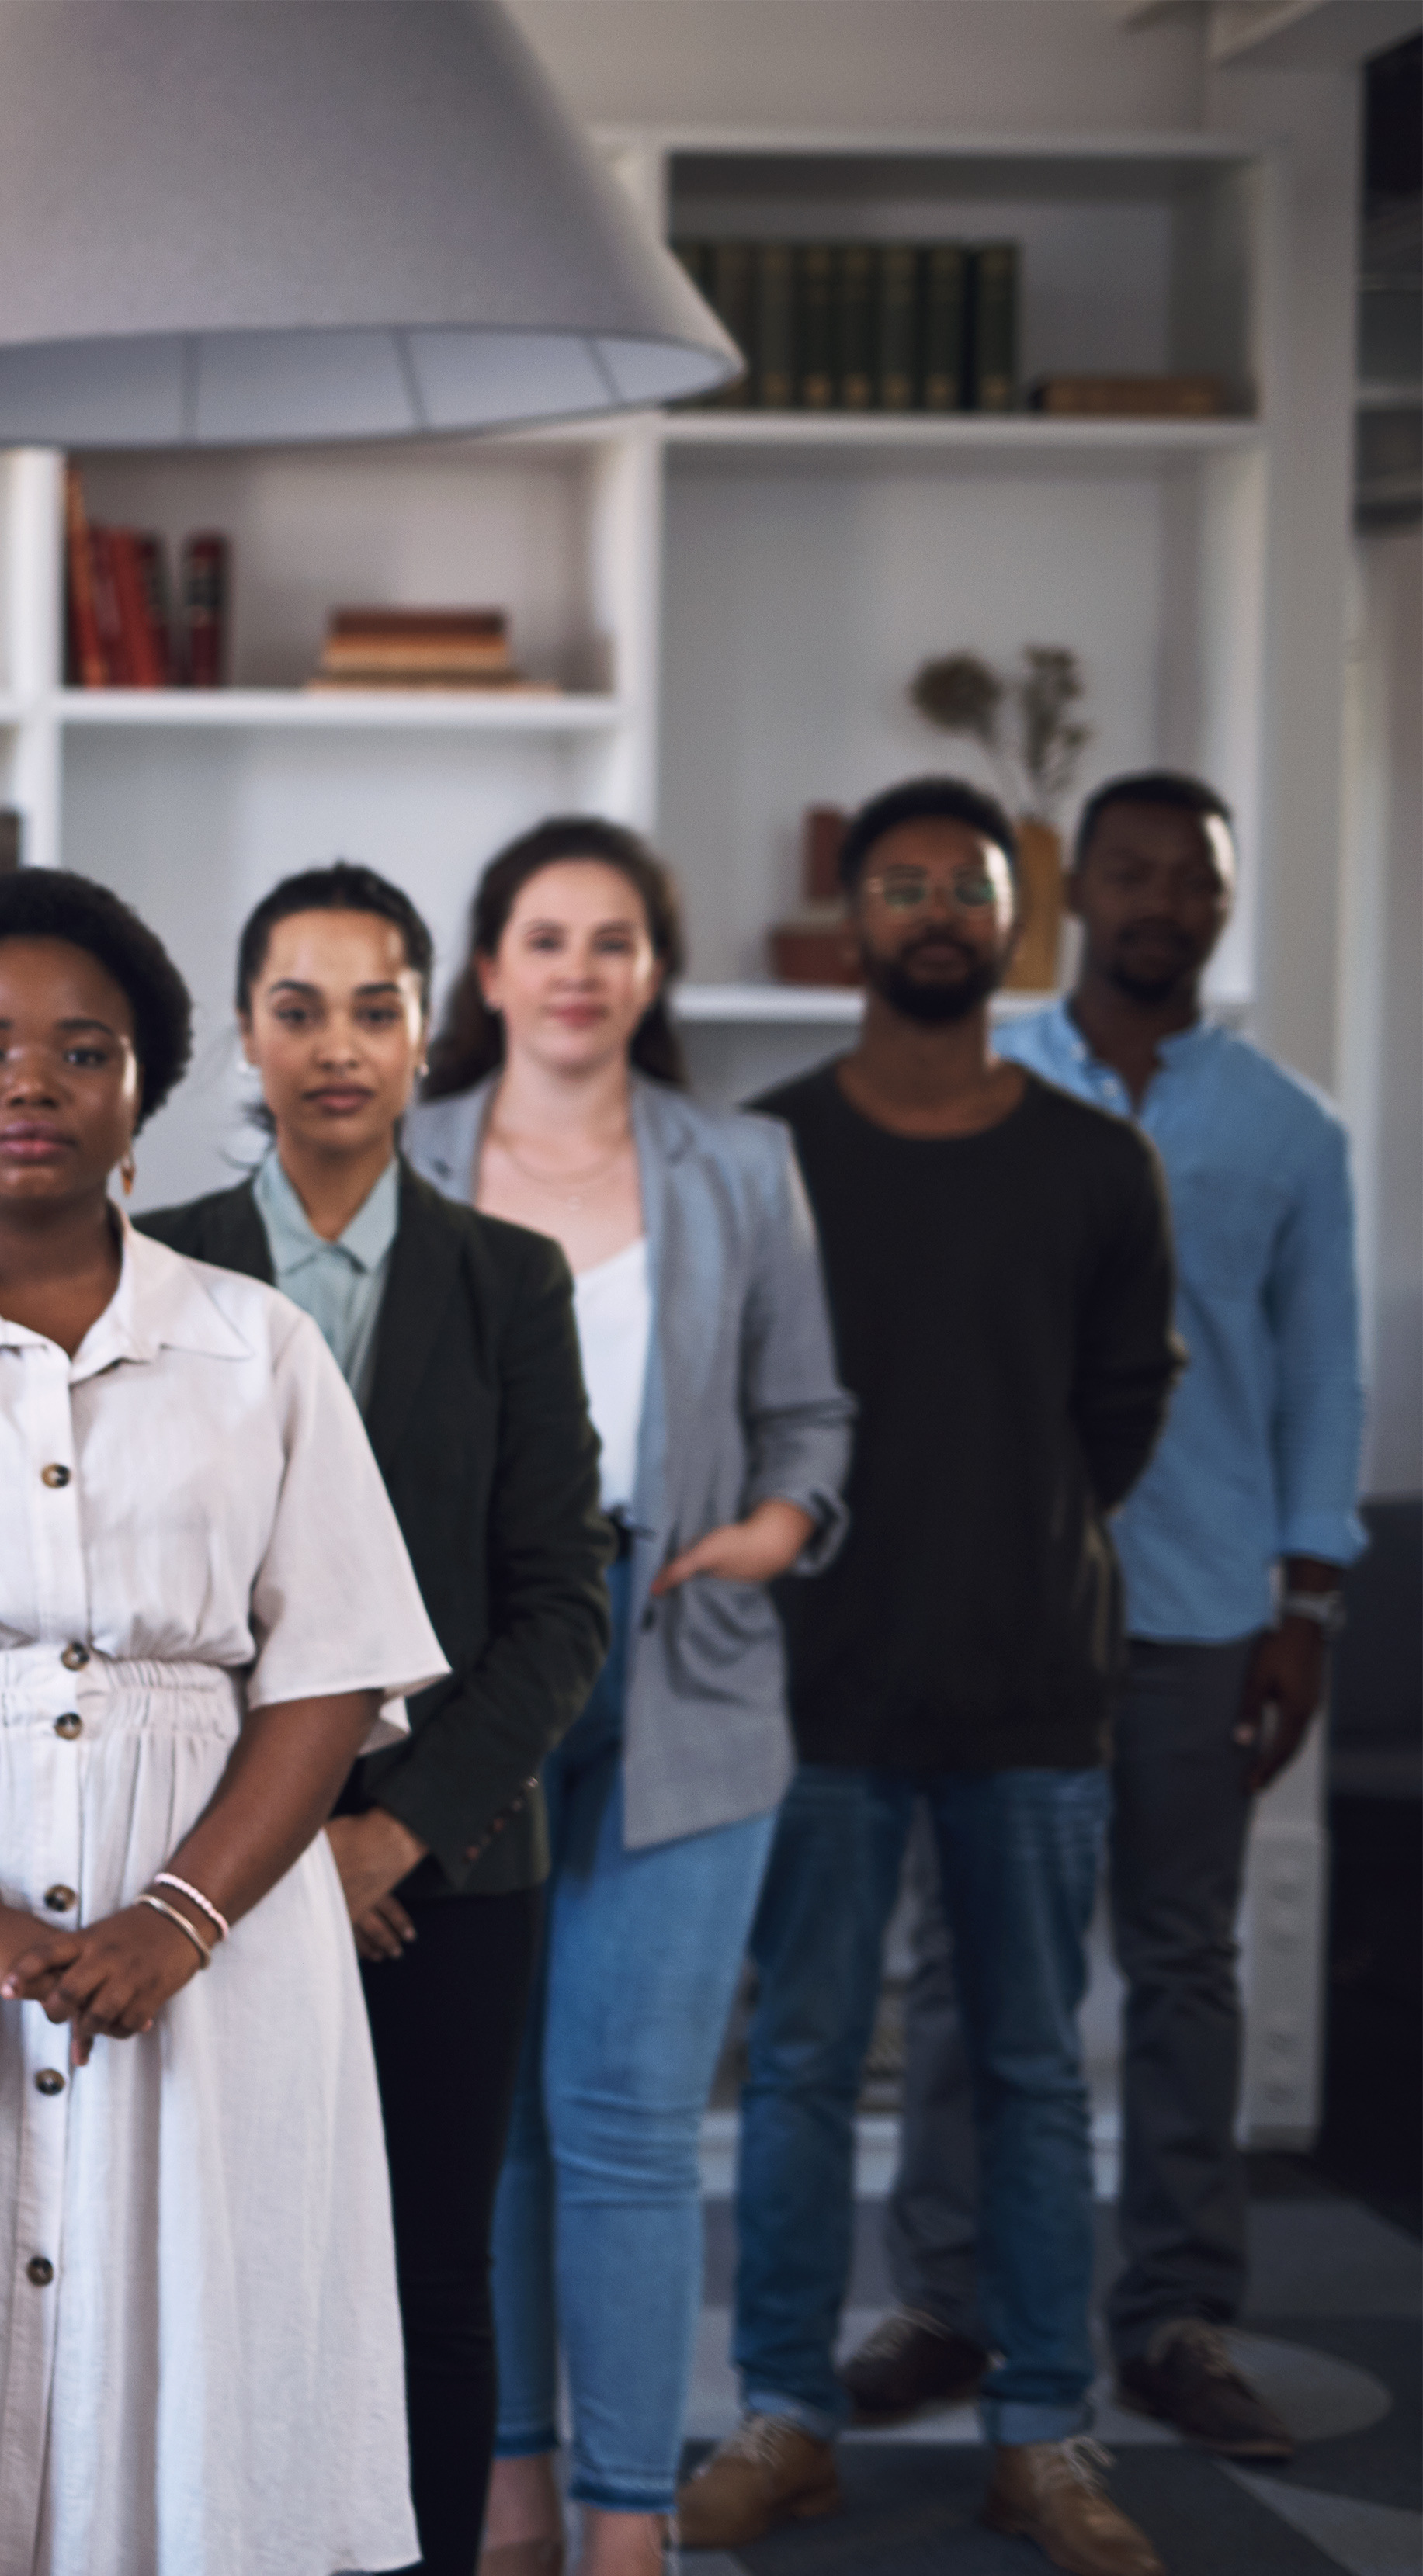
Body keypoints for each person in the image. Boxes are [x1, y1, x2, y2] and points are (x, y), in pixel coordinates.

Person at [0, 869, 449, 2576]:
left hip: (216, 1922)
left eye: (80, 1049)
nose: (27, 1082)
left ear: (146, 1091)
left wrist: (181, 1917)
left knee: (198, 2348)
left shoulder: (255, 1348)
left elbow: (326, 1667)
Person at [685, 775, 1180, 2576]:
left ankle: (1041, 2435)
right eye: (896, 885)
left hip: (1035, 1691)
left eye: (962, 886)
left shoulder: (1091, 1163)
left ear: (1007, 920)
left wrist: (1005, 1532)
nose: (930, 911)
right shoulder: (761, 1153)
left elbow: (1116, 1415)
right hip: (807, 1693)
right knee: (803, 2065)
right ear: (855, 921)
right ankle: (784, 2416)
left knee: (1041, 2072)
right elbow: (728, 1413)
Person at [856, 771, 1362, 2467]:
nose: (1159, 899)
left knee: (1177, 1962)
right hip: (990, 1601)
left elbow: (1319, 1381)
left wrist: (1307, 1605)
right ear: (1073, 896)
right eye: (1129, 869)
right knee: (960, 1962)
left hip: (1202, 1605)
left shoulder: (1292, 1132)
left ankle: (1173, 2313)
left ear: (1221, 904)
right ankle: (944, 2298)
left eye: (1190, 878)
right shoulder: (971, 1096)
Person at [139, 860, 609, 2576]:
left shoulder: (510, 1281)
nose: (335, 1046)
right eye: (295, 1007)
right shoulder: (155, 1268)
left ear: (427, 1035)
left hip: (450, 1868)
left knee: (428, 2262)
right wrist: (279, 1852)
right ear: (241, 1043)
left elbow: (561, 1601)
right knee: (222, 2251)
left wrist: (388, 1834)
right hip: (209, 1859)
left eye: (374, 1007)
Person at [398, 820, 855, 2576]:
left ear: (650, 971)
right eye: (544, 936)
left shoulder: (741, 1166)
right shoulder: (409, 1153)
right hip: (466, 1692)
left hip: (686, 1673)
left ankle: (623, 2515)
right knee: (489, 2114)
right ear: (491, 969)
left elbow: (815, 1415)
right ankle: (507, 2484)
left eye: (614, 939)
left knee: (630, 2121)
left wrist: (768, 1530)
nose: (578, 967)